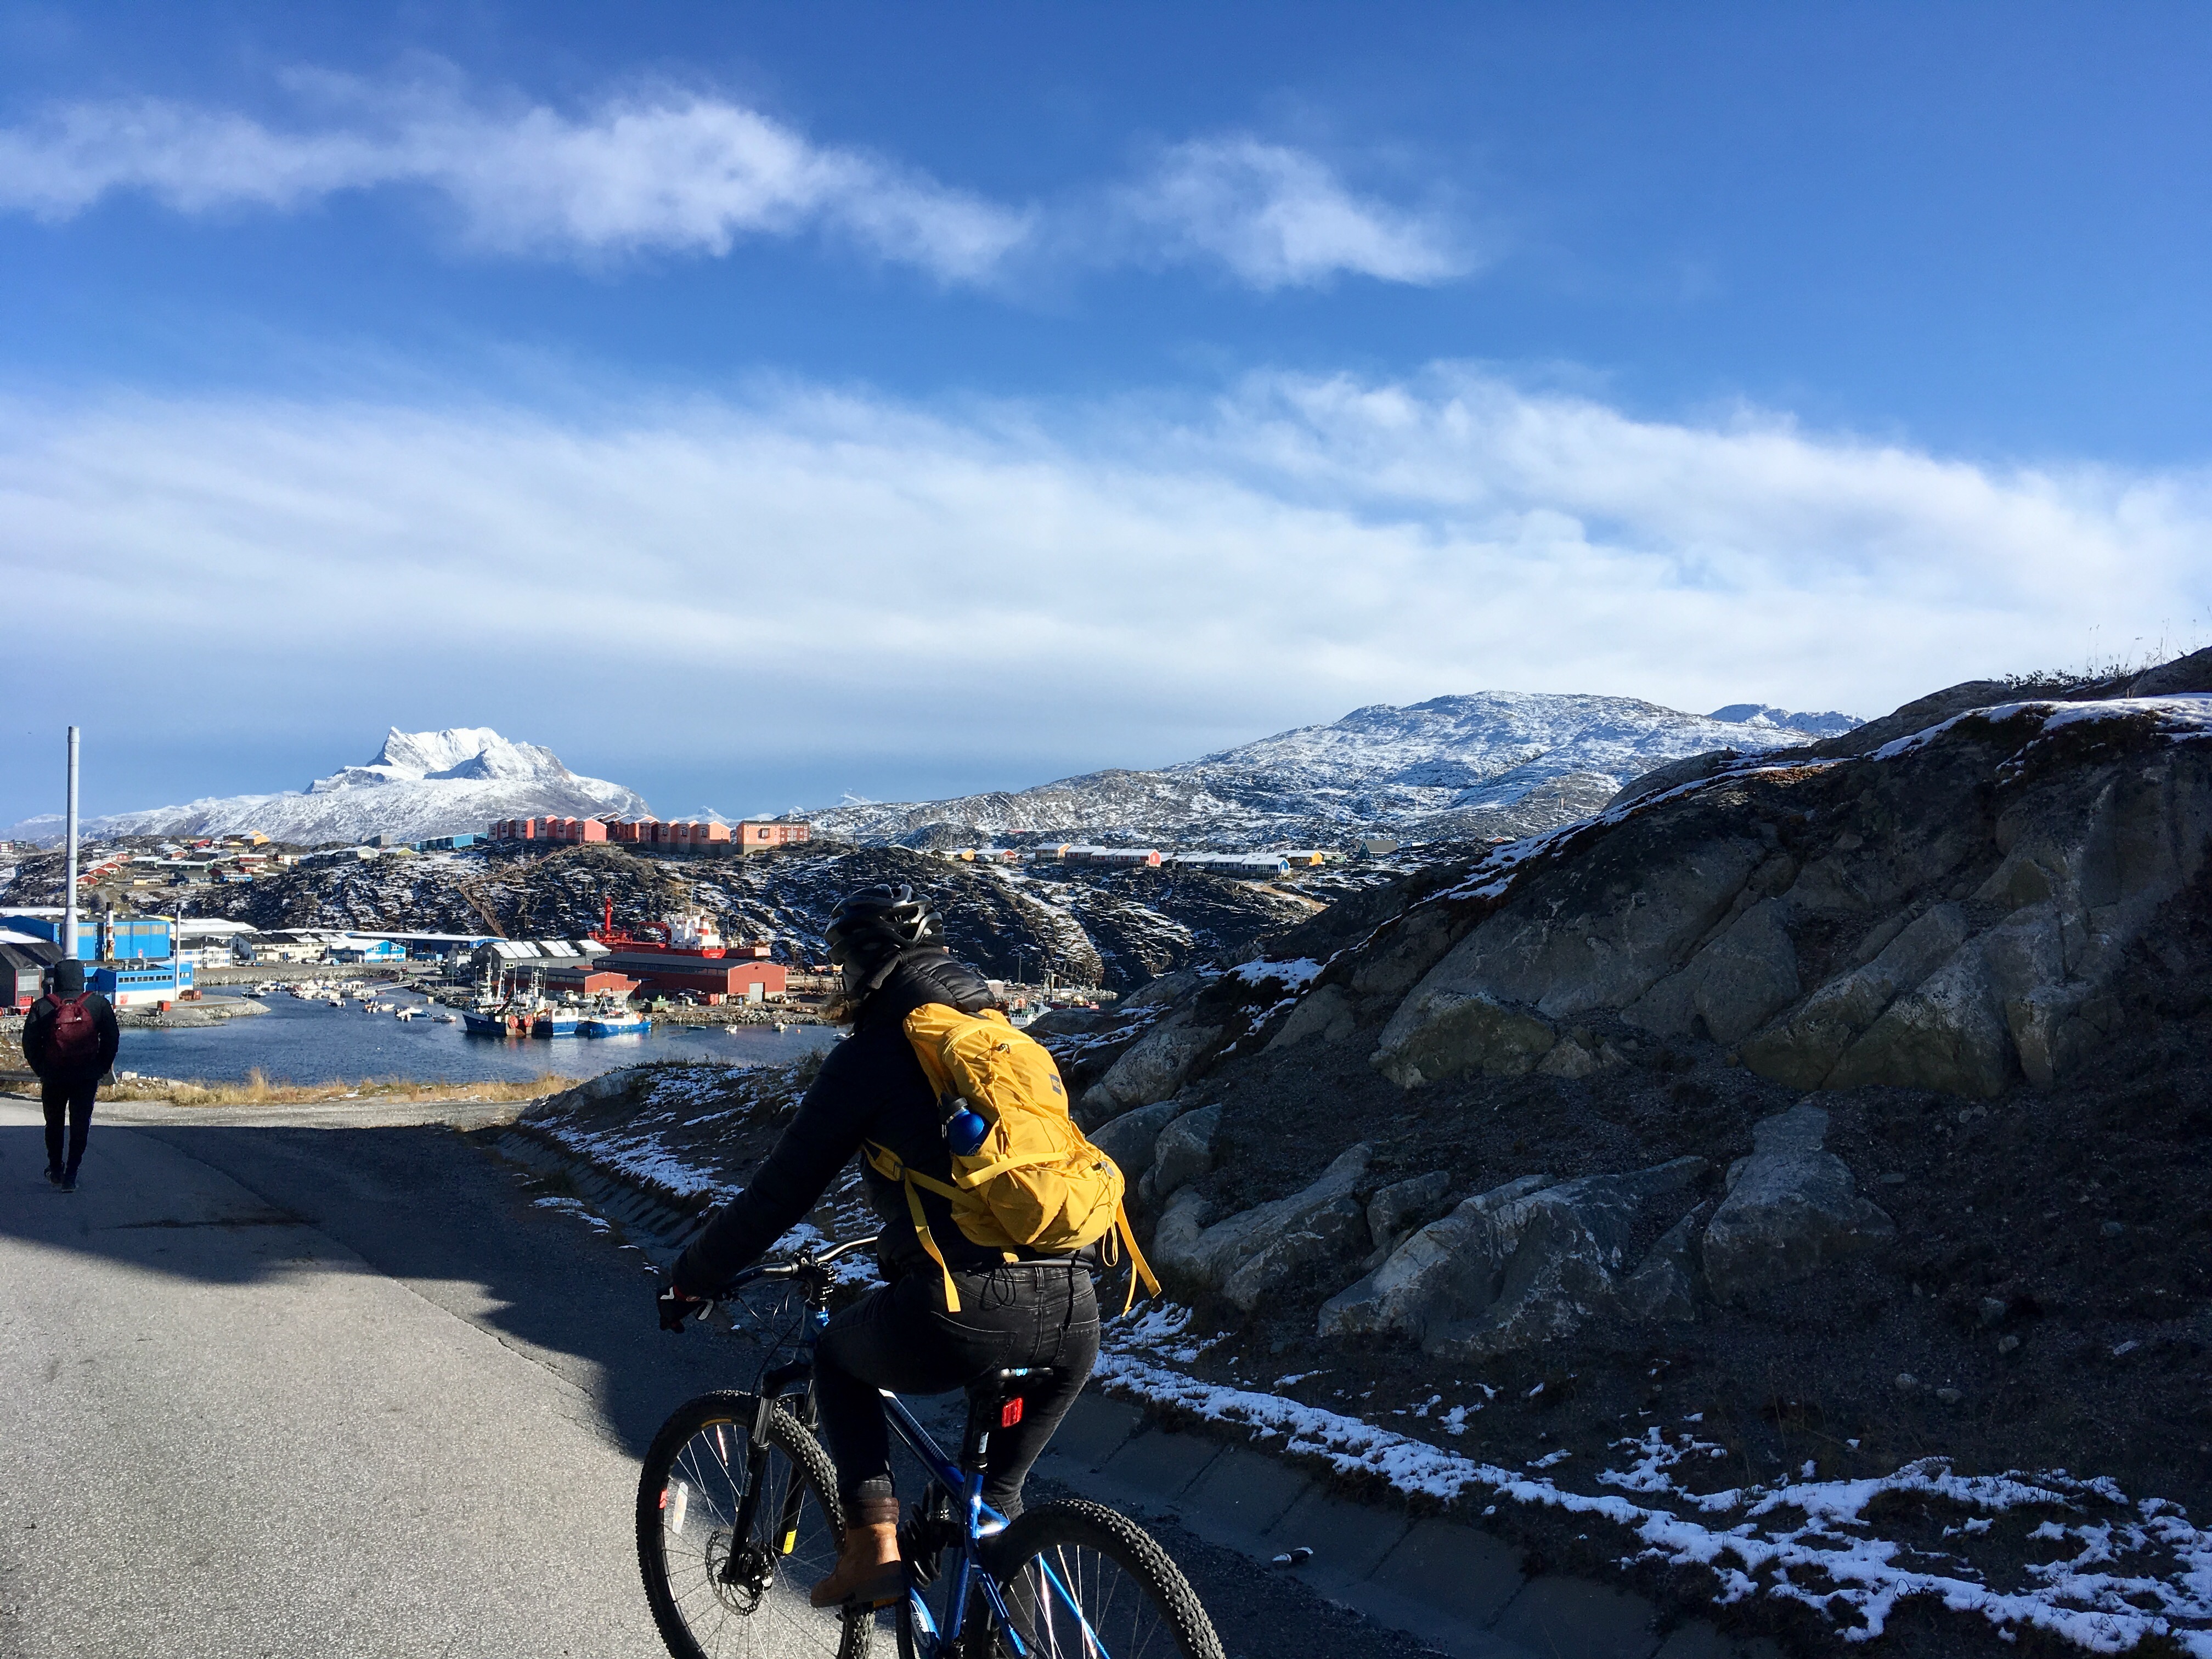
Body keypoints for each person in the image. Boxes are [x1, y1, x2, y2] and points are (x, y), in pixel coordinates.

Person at [658, 884, 1101, 1611]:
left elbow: (779, 1194)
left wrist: (692, 1278)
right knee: (994, 1505)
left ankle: (871, 1554)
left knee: (837, 1358)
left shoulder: (872, 1056)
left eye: (839, 968)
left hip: (964, 1309)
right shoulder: (1004, 1043)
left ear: (860, 969)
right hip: (1076, 1305)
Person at [22, 958, 120, 1193]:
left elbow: (30, 1044)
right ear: (82, 978)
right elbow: (112, 1040)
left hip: (54, 1076)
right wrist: (101, 1068)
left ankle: (56, 1170)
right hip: (86, 1076)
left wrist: (42, 1070)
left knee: (54, 1125)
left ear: (56, 980)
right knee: (80, 1125)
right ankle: (72, 1175)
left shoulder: (43, 1006)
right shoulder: (98, 1004)